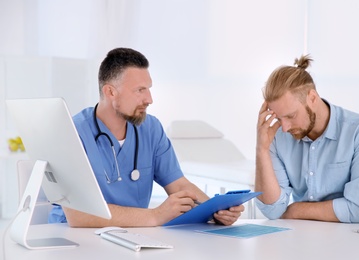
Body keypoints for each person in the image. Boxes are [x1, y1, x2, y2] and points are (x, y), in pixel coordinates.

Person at [48, 47, 244, 227]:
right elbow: (79, 215)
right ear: (110, 91)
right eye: (140, 90)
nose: (149, 99)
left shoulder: (150, 128)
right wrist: (156, 215)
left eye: (148, 89)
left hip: (133, 235)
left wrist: (214, 210)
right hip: (74, 238)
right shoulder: (72, 132)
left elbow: (178, 184)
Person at [255, 54, 359, 223]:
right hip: (302, 239)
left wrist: (295, 209)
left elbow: (358, 210)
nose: (285, 127)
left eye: (291, 116)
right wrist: (262, 149)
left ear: (312, 98)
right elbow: (273, 210)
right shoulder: (278, 136)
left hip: (357, 239)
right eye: (279, 118)